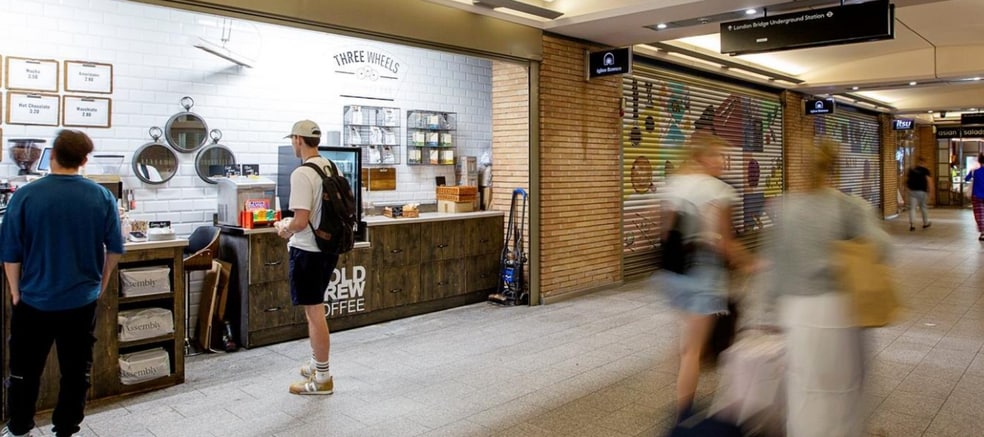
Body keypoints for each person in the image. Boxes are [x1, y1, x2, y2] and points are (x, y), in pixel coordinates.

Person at [1, 130, 124, 437]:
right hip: (81, 302)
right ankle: (66, 429)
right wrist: (101, 284)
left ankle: (19, 428)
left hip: (33, 301)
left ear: (52, 154)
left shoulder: (26, 195)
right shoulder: (102, 196)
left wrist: (15, 290)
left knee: (24, 372)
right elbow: (115, 250)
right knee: (75, 373)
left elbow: (10, 253)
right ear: (84, 160)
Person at [767, 140, 891, 437]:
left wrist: (767, 313)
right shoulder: (849, 207)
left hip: (796, 311)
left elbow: (775, 268)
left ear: (799, 171)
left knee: (803, 387)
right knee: (844, 389)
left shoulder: (783, 208)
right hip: (839, 311)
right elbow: (884, 248)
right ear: (834, 170)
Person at [661, 133, 755, 424]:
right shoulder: (718, 190)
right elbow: (724, 243)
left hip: (675, 275)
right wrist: (751, 263)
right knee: (693, 350)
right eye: (716, 155)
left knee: (688, 342)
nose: (721, 162)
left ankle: (684, 392)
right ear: (702, 157)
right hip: (704, 276)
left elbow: (665, 232)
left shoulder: (674, 183)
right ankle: (684, 413)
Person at [274, 120, 338, 395]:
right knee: (315, 309)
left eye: (293, 140)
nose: (292, 144)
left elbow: (299, 221)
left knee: (314, 313)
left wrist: (283, 227)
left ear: (299, 140)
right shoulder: (329, 166)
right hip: (327, 247)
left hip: (308, 251)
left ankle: (322, 378)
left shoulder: (302, 173)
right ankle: (315, 362)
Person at [905, 157, 933, 231]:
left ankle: (912, 224)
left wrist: (905, 191)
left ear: (917, 163)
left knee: (912, 208)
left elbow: (907, 181)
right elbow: (929, 182)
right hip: (922, 192)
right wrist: (931, 192)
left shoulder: (912, 170)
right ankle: (925, 223)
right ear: (924, 163)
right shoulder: (926, 171)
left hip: (912, 191)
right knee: (923, 207)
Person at [965, 153, 984, 240]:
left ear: (979, 161)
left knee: (979, 214)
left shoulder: (974, 171)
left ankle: (983, 232)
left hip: (977, 196)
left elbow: (966, 179)